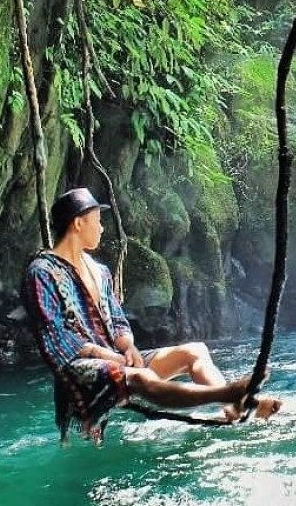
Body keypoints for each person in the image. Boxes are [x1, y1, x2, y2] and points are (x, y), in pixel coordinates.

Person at [23, 187, 281, 442]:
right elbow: (55, 338)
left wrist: (128, 346)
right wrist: (108, 355)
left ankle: (233, 407)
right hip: (80, 373)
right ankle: (228, 394)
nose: (102, 228)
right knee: (142, 376)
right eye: (98, 221)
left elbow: (115, 318)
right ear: (78, 223)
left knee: (196, 351)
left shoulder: (99, 270)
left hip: (117, 359)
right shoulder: (42, 272)